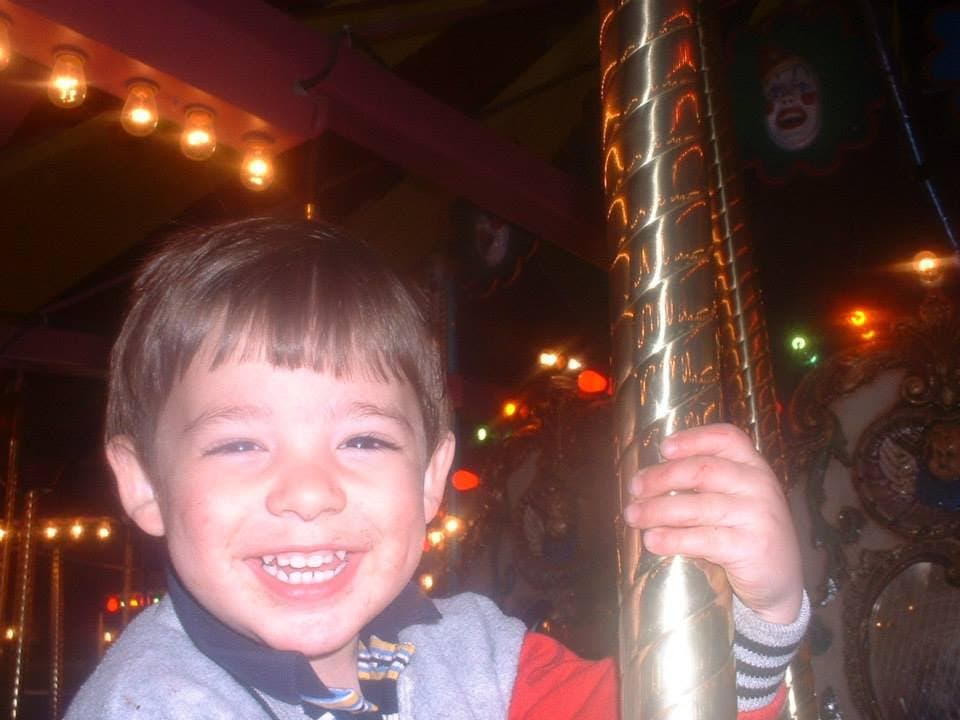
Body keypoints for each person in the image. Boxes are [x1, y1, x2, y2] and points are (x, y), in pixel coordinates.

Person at [66, 218, 808, 720]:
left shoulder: (473, 651)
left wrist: (757, 615)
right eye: (239, 445)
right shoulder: (155, 703)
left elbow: (659, 707)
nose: (310, 493)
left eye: (363, 440)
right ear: (144, 483)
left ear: (430, 479)